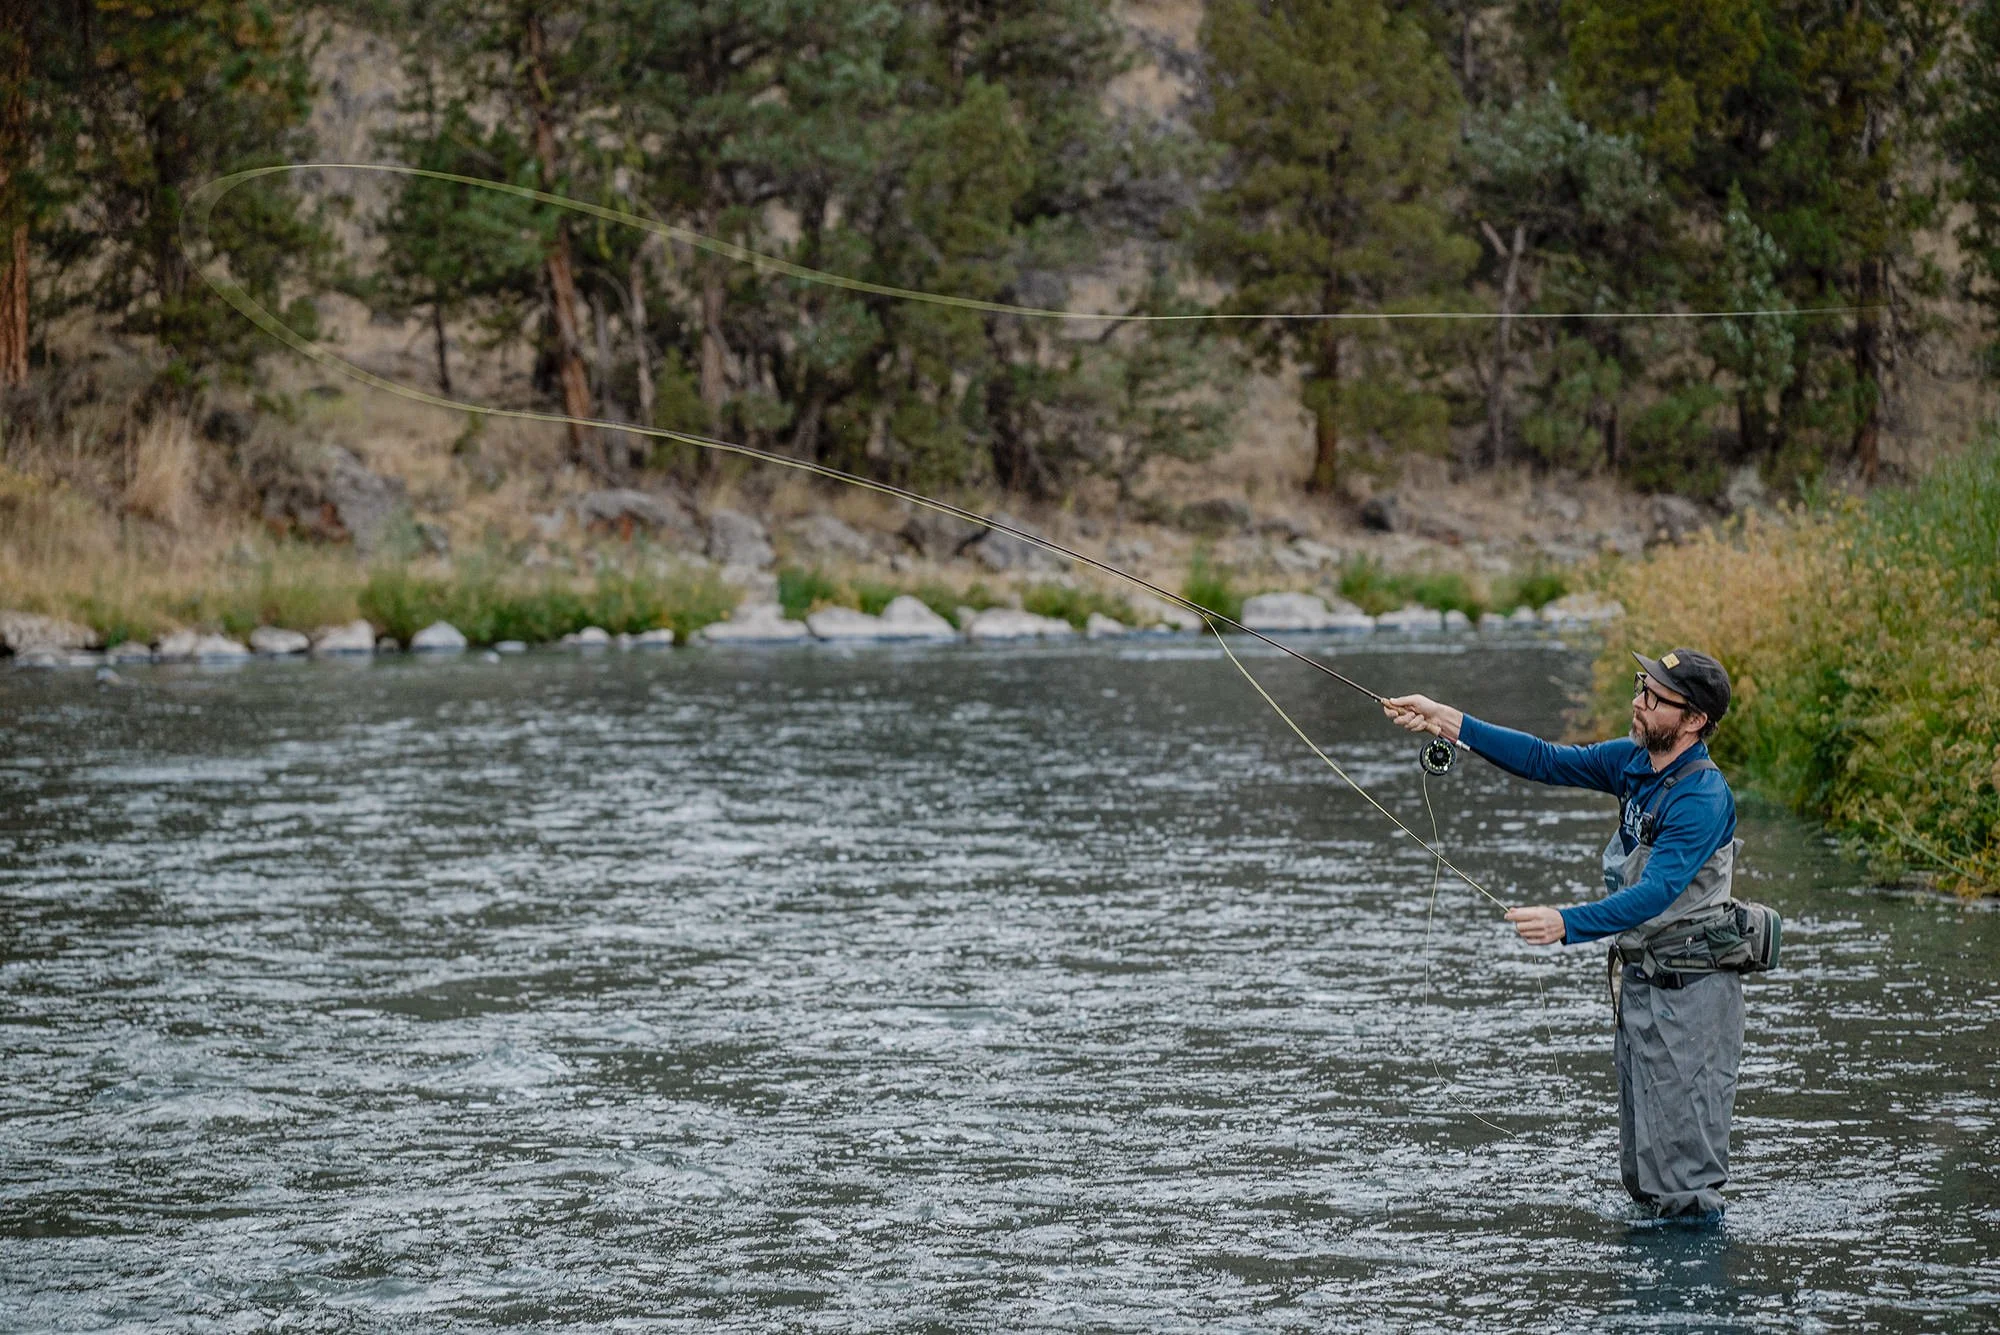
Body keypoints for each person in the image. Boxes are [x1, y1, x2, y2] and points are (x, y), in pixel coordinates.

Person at [1382, 649, 1742, 1223]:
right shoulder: (1633, 761)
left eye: (1653, 696)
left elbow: (1657, 892)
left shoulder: (1701, 797)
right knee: (1644, 1167)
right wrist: (1443, 718)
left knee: (1685, 1177)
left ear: (1694, 720)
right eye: (1640, 686)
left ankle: (1691, 1295)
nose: (1637, 701)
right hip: (1643, 982)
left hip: (1692, 992)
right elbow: (1544, 759)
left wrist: (1565, 923)